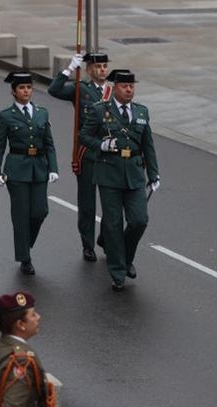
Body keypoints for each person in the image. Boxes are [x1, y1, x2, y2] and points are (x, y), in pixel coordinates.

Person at [79, 69, 161, 291]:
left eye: (132, 86)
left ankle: (125, 257)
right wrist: (102, 145)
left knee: (139, 220)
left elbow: (148, 145)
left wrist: (154, 174)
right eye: (125, 86)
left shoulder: (141, 112)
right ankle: (117, 272)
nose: (129, 90)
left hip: (134, 173)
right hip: (109, 174)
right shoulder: (100, 111)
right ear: (115, 88)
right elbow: (83, 136)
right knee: (113, 224)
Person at [0, 71, 59, 276]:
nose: (26, 91)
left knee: (40, 211)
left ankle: (24, 243)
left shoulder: (42, 113)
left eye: (29, 87)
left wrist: (54, 168)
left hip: (39, 167)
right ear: (14, 92)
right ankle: (24, 258)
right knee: (21, 215)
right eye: (21, 88)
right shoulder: (6, 115)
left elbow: (49, 144)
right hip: (17, 169)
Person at [48, 52, 111, 262]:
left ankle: (105, 237)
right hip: (88, 152)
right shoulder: (80, 89)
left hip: (110, 154)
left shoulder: (113, 91)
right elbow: (54, 90)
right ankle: (87, 244)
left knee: (111, 201)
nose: (102, 69)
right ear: (89, 70)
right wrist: (68, 69)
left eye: (104, 66)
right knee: (87, 203)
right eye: (98, 66)